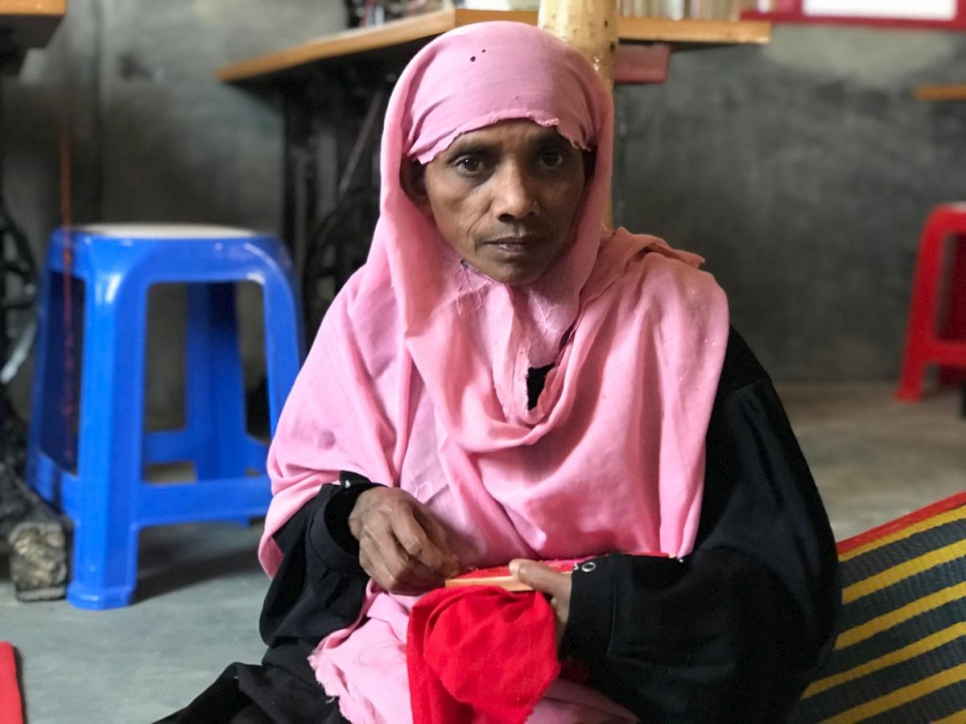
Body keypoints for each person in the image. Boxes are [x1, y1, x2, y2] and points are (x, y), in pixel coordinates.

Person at [161, 20, 839, 724]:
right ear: (416, 182)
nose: (517, 200)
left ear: (590, 167)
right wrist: (356, 514)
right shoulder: (373, 321)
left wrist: (612, 608)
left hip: (612, 686)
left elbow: (784, 590)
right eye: (472, 162)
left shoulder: (678, 323)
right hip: (389, 670)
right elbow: (310, 514)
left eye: (550, 158)